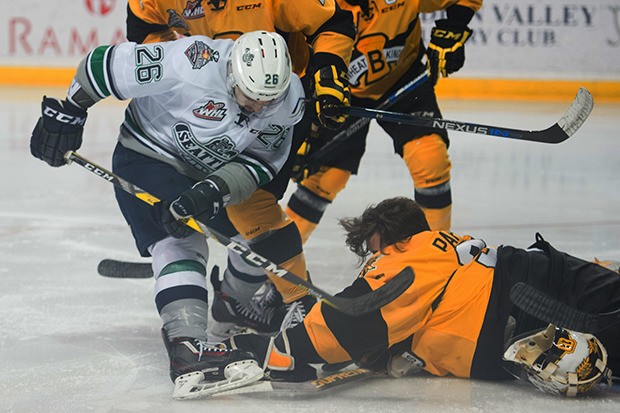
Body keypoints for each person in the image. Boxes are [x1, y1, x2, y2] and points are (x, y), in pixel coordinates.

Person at [29, 31, 307, 390]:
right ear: (231, 74)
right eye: (251, 98)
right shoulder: (192, 62)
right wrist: (70, 111)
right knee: (182, 241)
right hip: (147, 157)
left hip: (208, 174)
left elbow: (260, 162)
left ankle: (232, 306)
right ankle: (187, 345)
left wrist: (210, 191)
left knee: (257, 239)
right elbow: (104, 67)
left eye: (268, 101)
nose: (259, 108)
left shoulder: (288, 99)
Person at [225, 197, 619, 396]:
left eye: (375, 248)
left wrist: (279, 348)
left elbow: (353, 316)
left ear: (394, 239)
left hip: (526, 310)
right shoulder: (444, 243)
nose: (373, 258)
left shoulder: (406, 254)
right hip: (543, 270)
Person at [123, 0, 356, 337]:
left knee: (254, 208)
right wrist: (179, 65)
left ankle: (277, 299)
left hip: (273, 107)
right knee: (236, 212)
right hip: (207, 107)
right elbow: (143, 26)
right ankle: (251, 298)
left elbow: (333, 22)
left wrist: (329, 69)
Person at [286, 0, 483, 243]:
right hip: (336, 93)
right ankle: (276, 264)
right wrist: (302, 127)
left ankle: (435, 256)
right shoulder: (315, 5)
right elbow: (295, 62)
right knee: (323, 179)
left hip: (403, 79)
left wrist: (454, 26)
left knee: (429, 158)